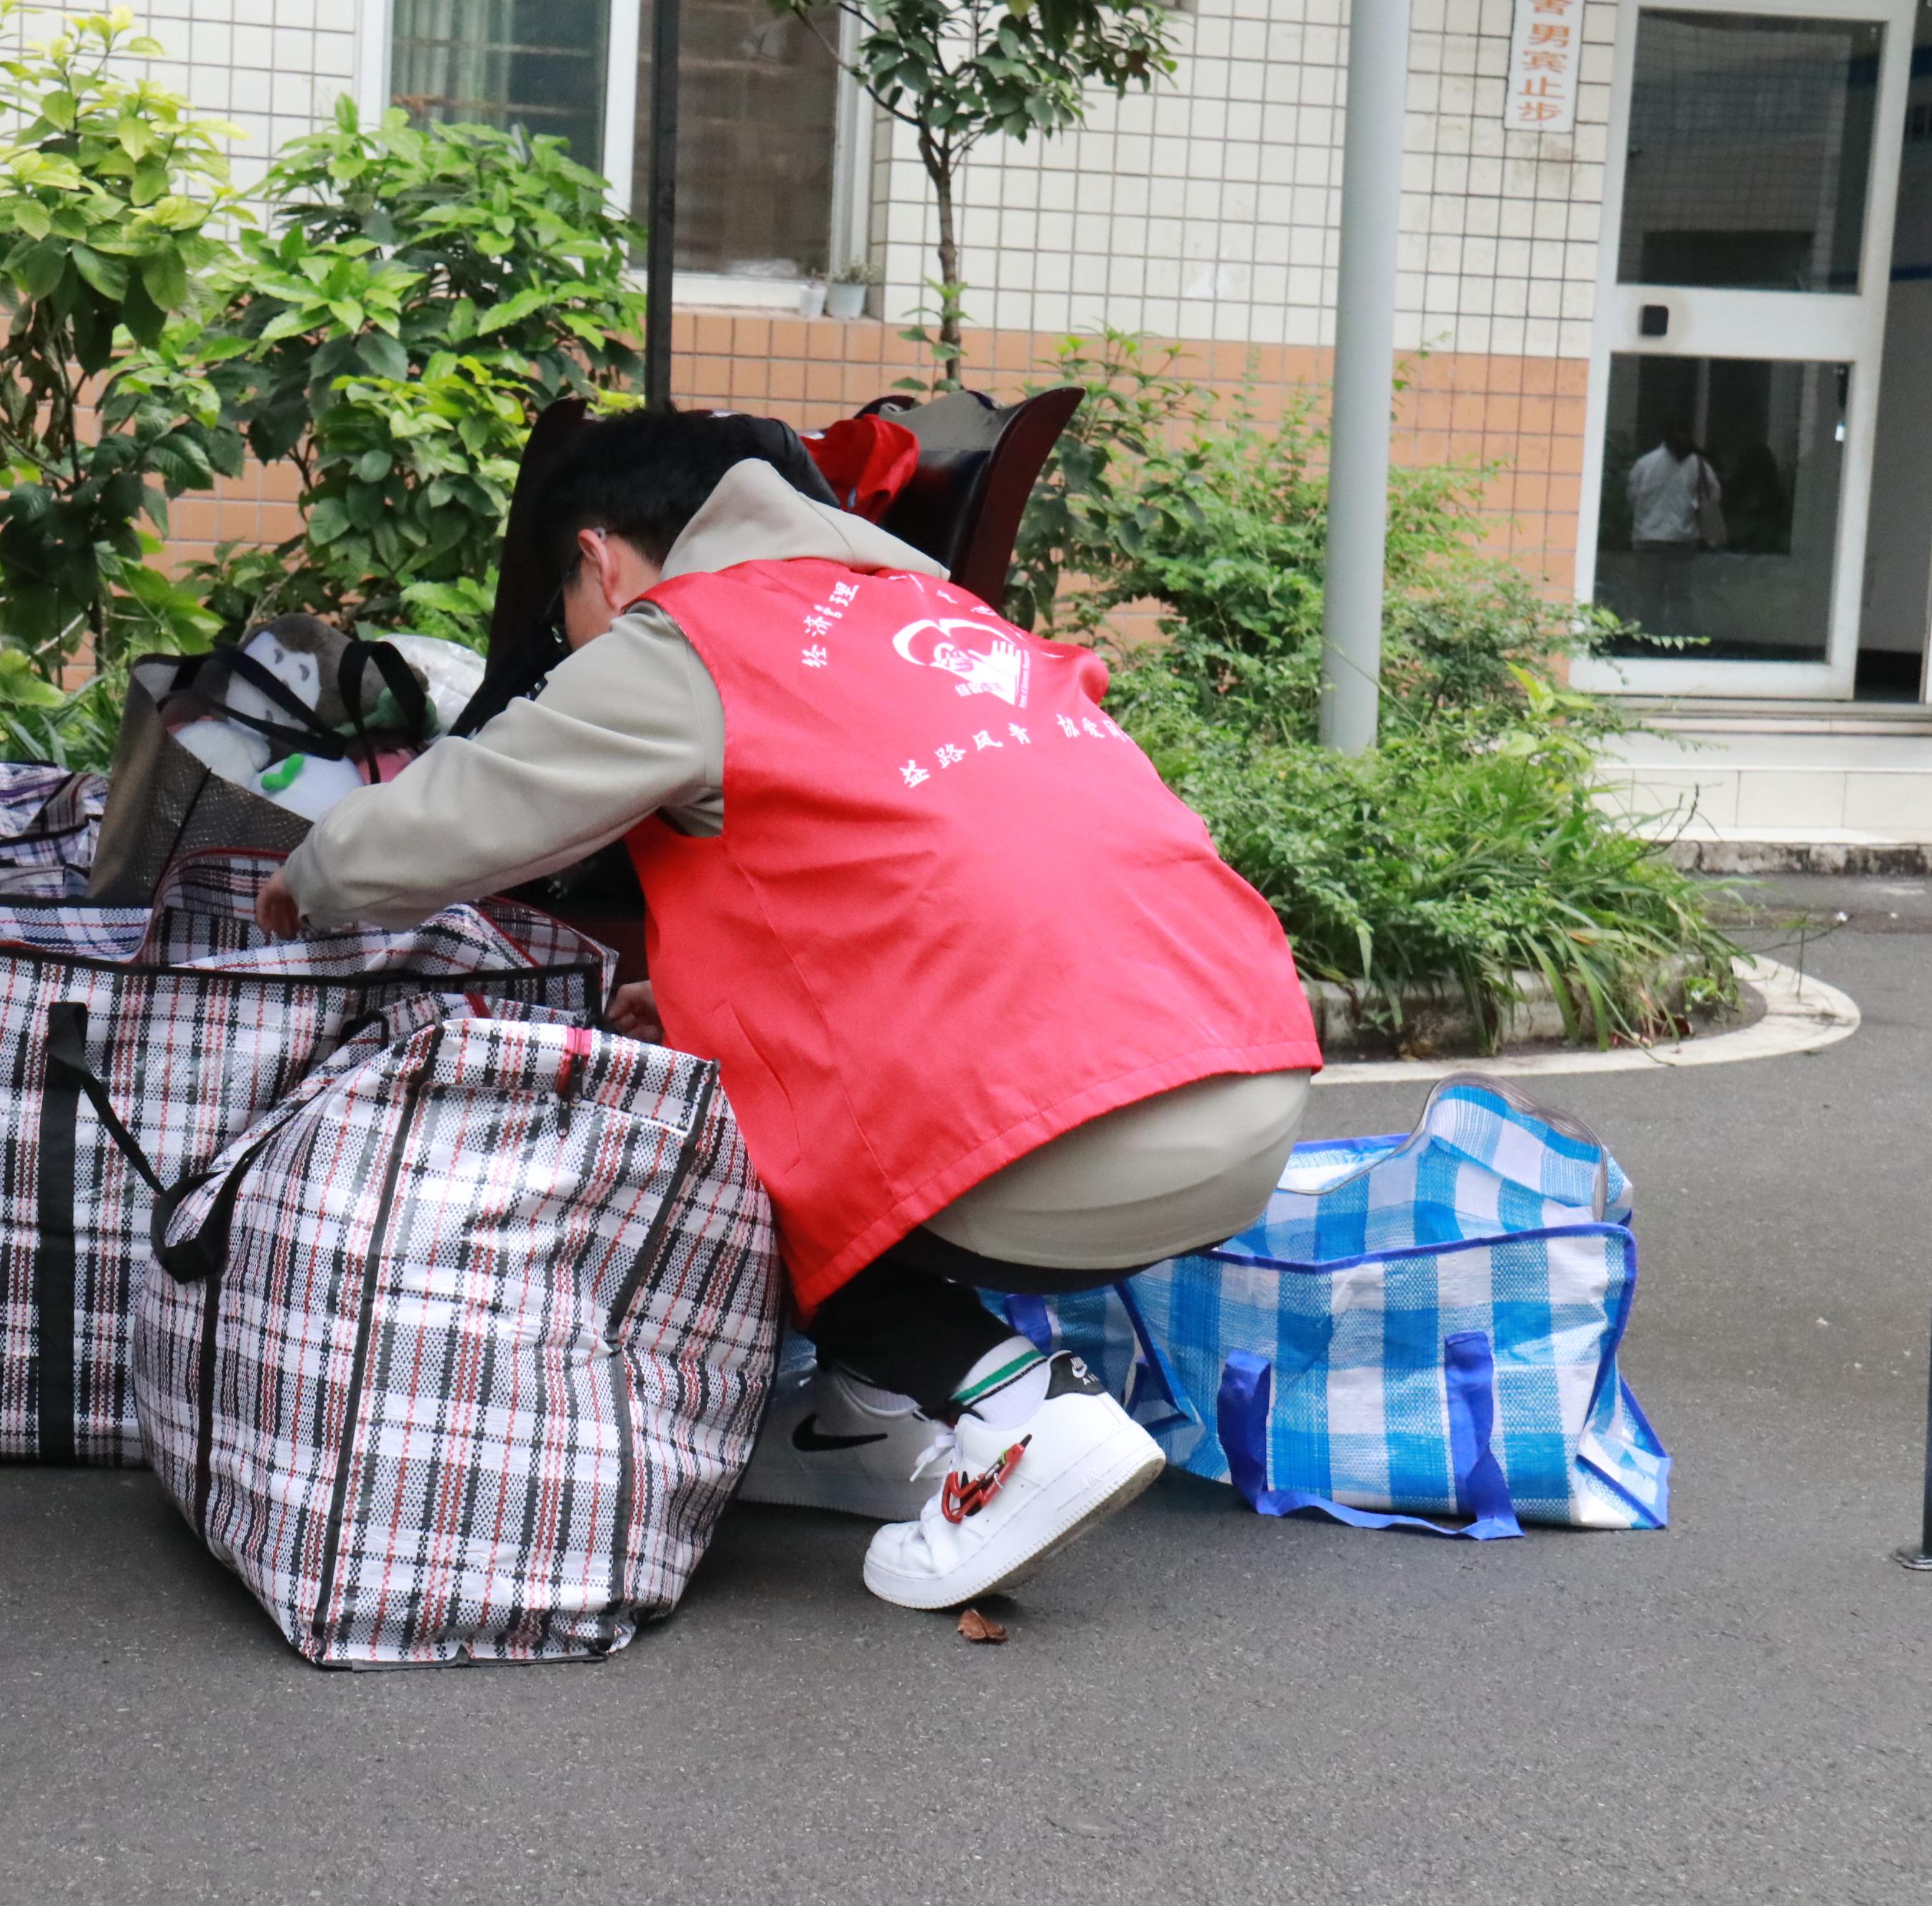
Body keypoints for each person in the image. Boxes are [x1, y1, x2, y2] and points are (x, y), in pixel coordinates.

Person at [254, 409, 1321, 1610]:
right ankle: (861, 1424)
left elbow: (461, 815)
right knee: (736, 1059)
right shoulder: (958, 624)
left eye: (567, 609)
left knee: (700, 1131)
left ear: (599, 559)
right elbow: (939, 892)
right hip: (1249, 1091)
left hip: (1070, 1143)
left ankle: (1018, 1408)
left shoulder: (691, 635)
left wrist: (306, 877)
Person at [1626, 423, 1723, 550]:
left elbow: (1632, 497)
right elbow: (1714, 496)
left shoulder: (1644, 463)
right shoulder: (1699, 464)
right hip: (1683, 538)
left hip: (1647, 536)